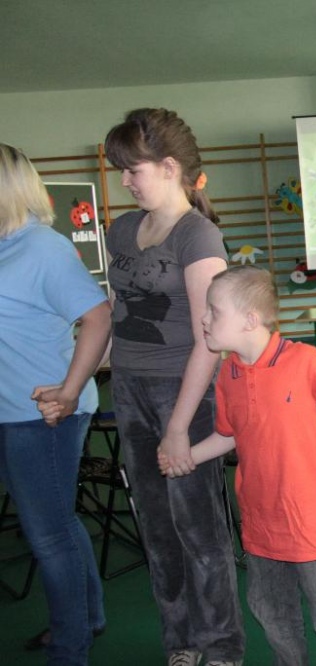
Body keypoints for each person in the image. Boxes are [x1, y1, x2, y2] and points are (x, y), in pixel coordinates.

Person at [159, 266, 316, 666]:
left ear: (250, 320)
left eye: (214, 311)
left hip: (309, 521)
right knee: (273, 613)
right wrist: (187, 457)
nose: (204, 319)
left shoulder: (303, 360)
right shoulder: (228, 374)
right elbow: (231, 434)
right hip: (261, 521)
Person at [103, 108, 244, 666]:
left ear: (168, 167)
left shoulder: (198, 234)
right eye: (121, 170)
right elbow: (117, 311)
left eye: (132, 170)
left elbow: (210, 341)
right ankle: (181, 641)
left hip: (182, 390)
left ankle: (221, 646)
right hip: (129, 388)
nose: (124, 181)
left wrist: (180, 426)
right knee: (157, 528)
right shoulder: (121, 229)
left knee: (198, 529)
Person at [0, 143, 111, 665]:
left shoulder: (42, 247)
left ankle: (70, 648)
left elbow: (98, 316)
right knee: (55, 523)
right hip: (11, 411)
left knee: (47, 534)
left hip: (43, 415)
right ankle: (87, 617)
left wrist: (68, 391)